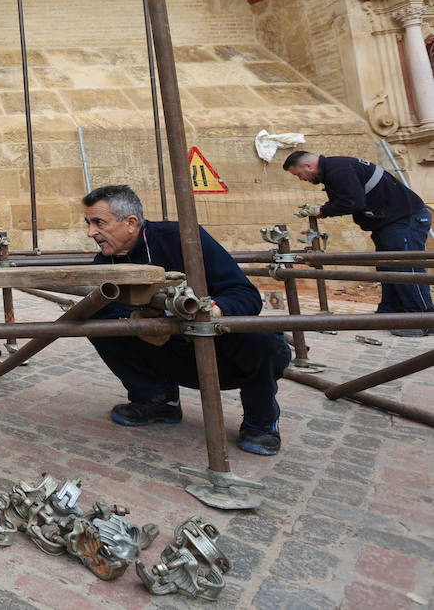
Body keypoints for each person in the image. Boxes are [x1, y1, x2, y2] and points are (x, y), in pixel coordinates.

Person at [82, 185, 291, 455]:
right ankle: (157, 400)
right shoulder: (104, 265)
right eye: (88, 223)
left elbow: (245, 295)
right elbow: (105, 313)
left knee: (263, 340)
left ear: (131, 223)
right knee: (96, 322)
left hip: (219, 350)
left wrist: (212, 311)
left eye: (99, 222)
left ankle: (261, 422)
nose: (91, 233)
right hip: (169, 353)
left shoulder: (184, 238)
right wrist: (139, 320)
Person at [283, 150, 433, 335]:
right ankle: (390, 313)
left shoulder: (339, 169)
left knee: (406, 268)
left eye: (299, 175)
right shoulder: (335, 169)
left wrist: (322, 210)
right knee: (388, 267)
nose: (301, 179)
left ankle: (423, 320)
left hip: (405, 220)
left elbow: (353, 202)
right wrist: (323, 210)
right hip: (390, 222)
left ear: (308, 166)